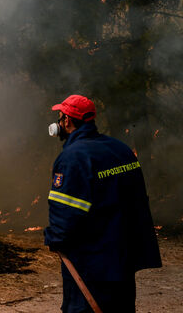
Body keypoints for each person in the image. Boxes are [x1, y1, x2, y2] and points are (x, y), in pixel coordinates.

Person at [44, 94, 161, 313]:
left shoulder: (72, 157)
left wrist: (54, 237)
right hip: (124, 254)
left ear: (67, 121)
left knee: (83, 307)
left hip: (91, 258)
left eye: (60, 117)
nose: (59, 123)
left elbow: (66, 210)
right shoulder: (121, 150)